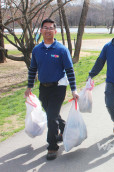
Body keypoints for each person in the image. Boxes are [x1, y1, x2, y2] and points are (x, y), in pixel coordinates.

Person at [24, 18, 79, 160]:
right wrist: (29, 86)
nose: (48, 30)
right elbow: (33, 69)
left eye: (51, 28)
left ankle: (52, 147)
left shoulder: (61, 50)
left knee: (51, 117)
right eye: (45, 28)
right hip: (43, 89)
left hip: (58, 88)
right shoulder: (37, 50)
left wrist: (74, 89)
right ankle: (66, 128)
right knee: (52, 114)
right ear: (41, 30)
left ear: (55, 31)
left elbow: (70, 70)